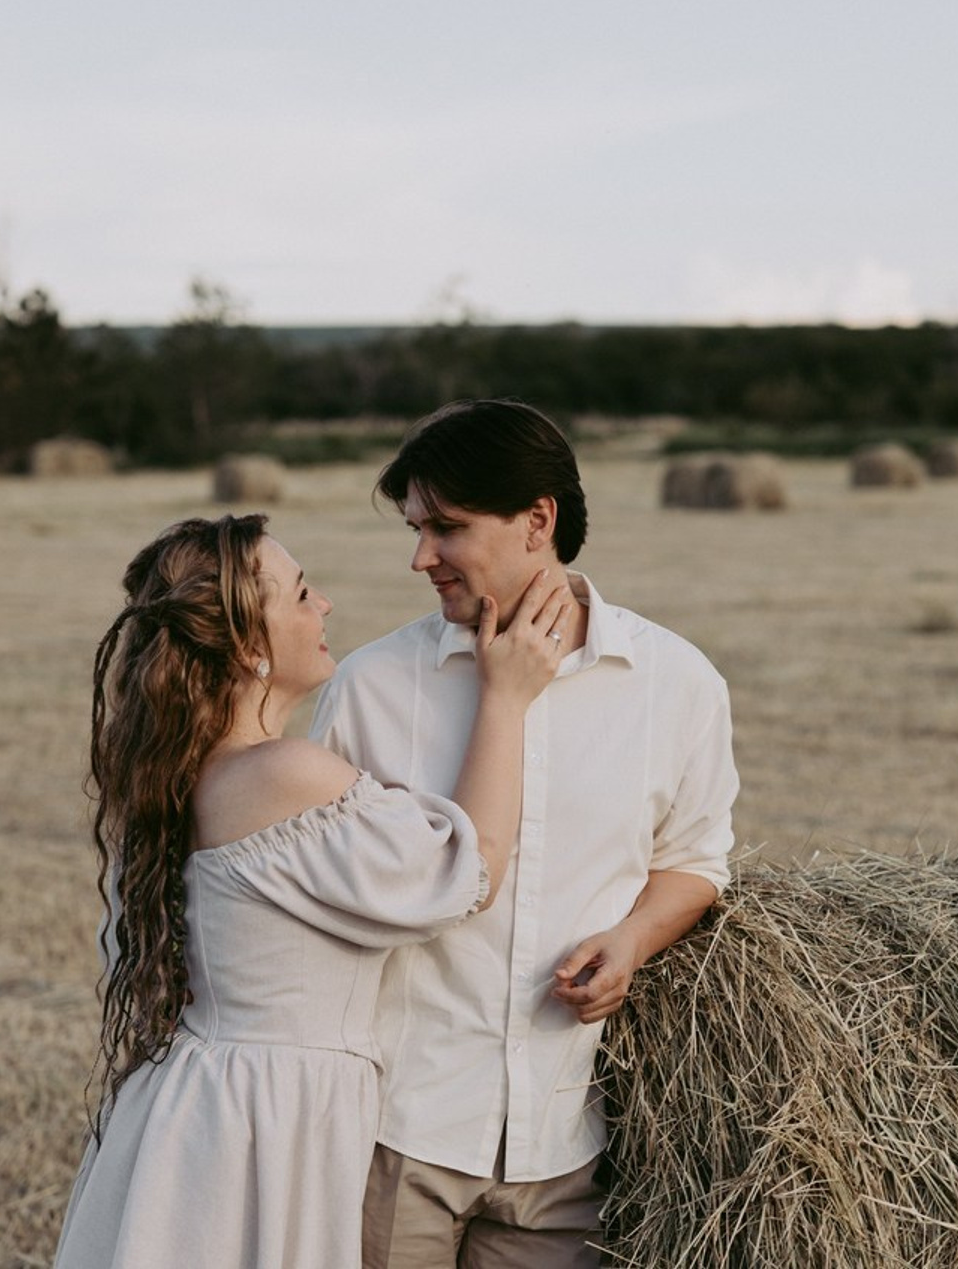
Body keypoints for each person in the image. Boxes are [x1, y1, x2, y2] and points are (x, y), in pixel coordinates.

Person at [54, 512, 572, 1269]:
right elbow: (468, 873)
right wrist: (506, 699)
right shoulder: (284, 776)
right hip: (267, 1122)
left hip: (192, 1108)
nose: (323, 605)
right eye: (300, 594)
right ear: (248, 647)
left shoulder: (173, 775)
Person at [309, 399, 739, 1267]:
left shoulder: (678, 683)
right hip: (398, 1131)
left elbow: (695, 861)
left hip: (566, 1137)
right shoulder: (370, 687)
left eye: (447, 528)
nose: (420, 557)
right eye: (416, 528)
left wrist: (629, 941)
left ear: (537, 520)